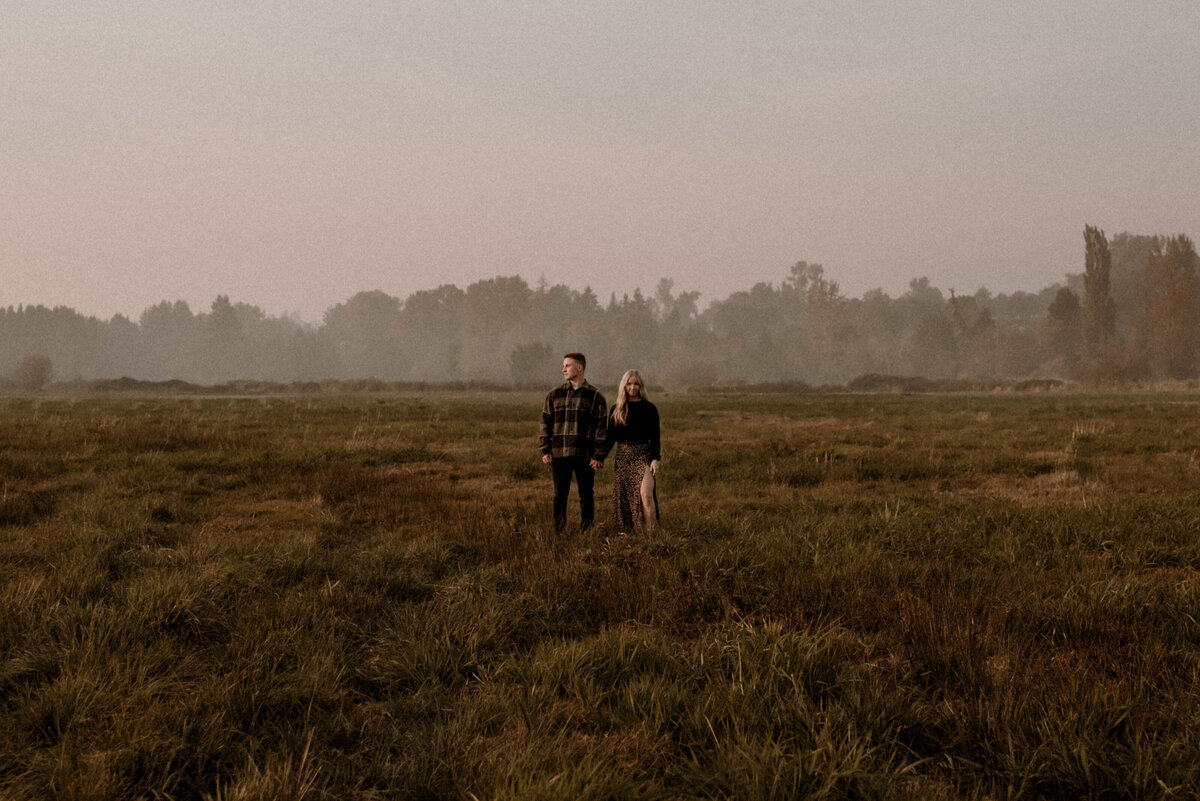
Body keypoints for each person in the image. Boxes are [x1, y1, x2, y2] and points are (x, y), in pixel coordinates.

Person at [539, 353, 609, 533]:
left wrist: (598, 455)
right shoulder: (555, 394)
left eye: (568, 366)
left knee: (586, 494)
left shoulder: (595, 397)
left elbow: (601, 428)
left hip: (584, 455)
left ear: (579, 368)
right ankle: (559, 532)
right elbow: (545, 423)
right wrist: (545, 450)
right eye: (563, 366)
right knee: (559, 495)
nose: (563, 369)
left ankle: (587, 530)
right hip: (559, 453)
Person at [606, 369, 660, 532]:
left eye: (636, 383)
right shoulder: (617, 409)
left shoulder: (649, 408)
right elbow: (610, 438)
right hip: (623, 455)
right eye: (629, 383)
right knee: (624, 498)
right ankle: (629, 531)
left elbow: (655, 437)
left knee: (645, 494)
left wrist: (655, 459)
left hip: (643, 455)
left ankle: (651, 536)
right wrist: (598, 457)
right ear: (624, 385)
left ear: (641, 386)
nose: (633, 387)